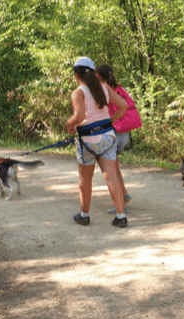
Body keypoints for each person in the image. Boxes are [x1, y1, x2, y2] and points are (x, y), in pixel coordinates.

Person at [66, 57, 130, 228]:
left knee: (85, 180)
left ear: (76, 74)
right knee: (112, 177)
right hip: (108, 138)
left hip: (87, 141)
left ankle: (84, 215)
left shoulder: (78, 92)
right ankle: (121, 216)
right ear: (93, 73)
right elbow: (123, 105)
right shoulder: (104, 88)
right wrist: (110, 121)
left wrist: (69, 125)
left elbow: (79, 117)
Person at [96, 64, 143, 214]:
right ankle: (124, 193)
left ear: (99, 76)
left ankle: (120, 203)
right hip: (125, 133)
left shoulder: (105, 90)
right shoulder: (119, 89)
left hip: (115, 132)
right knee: (114, 166)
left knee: (110, 170)